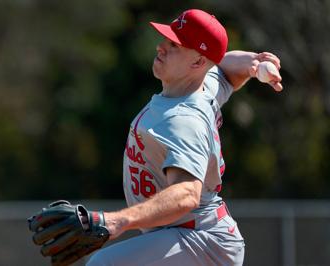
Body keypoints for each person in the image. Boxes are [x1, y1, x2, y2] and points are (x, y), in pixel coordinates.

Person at [84, 8, 282, 266]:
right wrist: (254, 64)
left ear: (198, 63)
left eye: (174, 45)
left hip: (201, 239)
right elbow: (225, 69)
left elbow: (187, 193)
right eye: (166, 39)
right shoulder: (202, 85)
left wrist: (117, 221)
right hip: (189, 234)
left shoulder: (184, 120)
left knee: (103, 264)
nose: (161, 47)